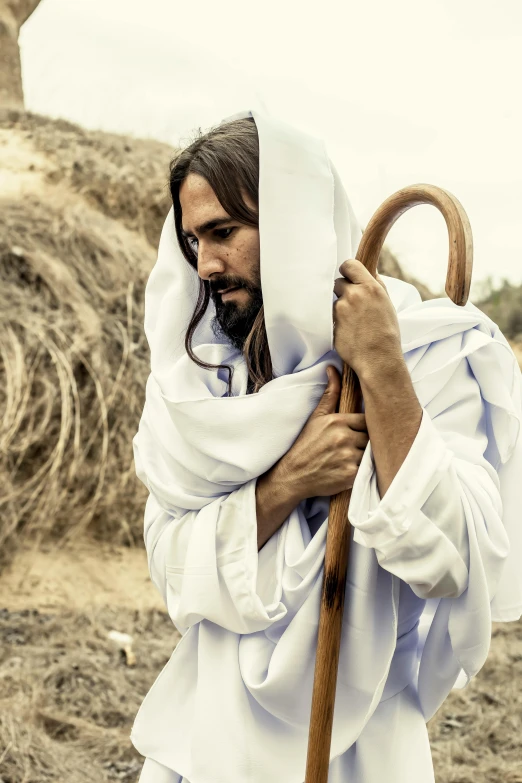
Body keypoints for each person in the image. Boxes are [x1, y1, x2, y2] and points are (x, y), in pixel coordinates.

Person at [130, 108, 522, 783]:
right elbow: (171, 563)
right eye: (193, 240)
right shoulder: (195, 390)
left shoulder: (423, 348)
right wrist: (285, 483)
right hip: (207, 737)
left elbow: (454, 558)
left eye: (224, 232)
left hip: (360, 747)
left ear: (293, 224)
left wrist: (384, 373)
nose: (206, 264)